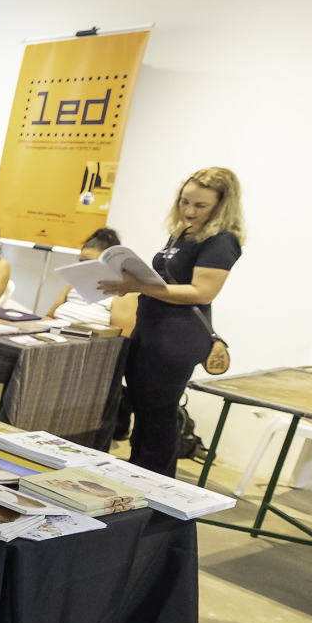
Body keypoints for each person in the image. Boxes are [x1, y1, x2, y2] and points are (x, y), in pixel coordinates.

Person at [100, 168, 245, 476]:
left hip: (177, 336)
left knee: (159, 411)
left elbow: (202, 292)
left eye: (200, 205)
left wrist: (140, 285)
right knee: (142, 405)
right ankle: (136, 472)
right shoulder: (184, 233)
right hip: (151, 329)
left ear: (222, 205)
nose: (189, 211)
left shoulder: (222, 241)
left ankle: (154, 480)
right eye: (184, 202)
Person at [48, 227, 137, 333]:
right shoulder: (74, 284)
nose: (83, 267)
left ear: (110, 263)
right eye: (81, 262)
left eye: (90, 262)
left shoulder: (123, 294)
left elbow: (123, 336)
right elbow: (49, 317)